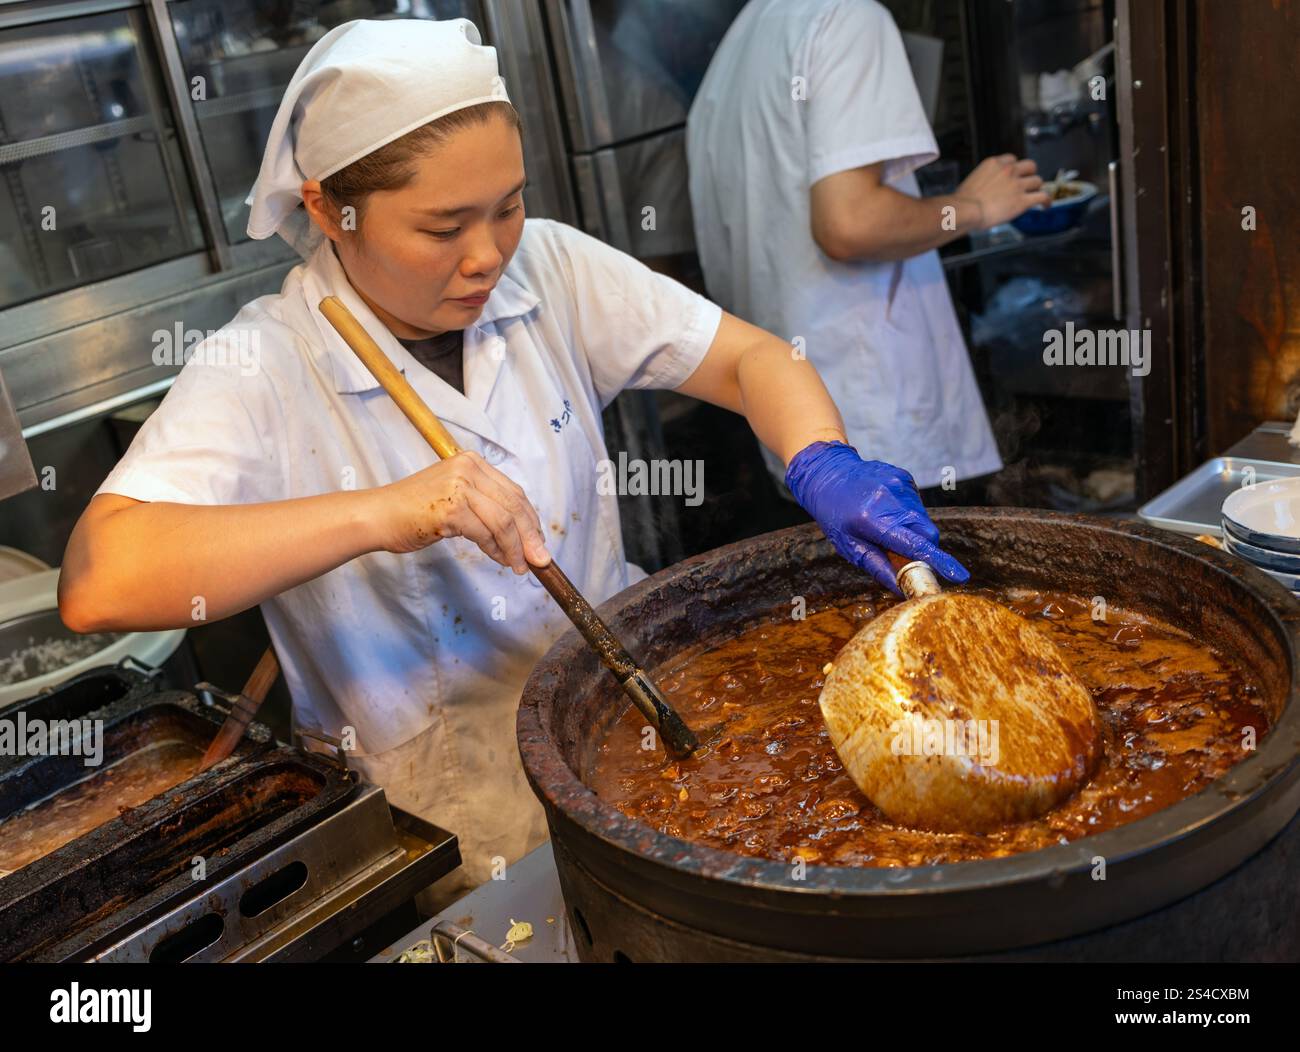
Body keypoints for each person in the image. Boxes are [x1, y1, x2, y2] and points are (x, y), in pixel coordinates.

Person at [58, 17, 965, 906]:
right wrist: (386, 513)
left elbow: (752, 358)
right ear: (331, 209)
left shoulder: (551, 268)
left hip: (633, 730)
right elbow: (103, 578)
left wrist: (821, 462)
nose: (487, 254)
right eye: (442, 227)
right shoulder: (267, 361)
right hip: (454, 816)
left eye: (508, 206)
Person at [686, 0, 1050, 495]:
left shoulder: (736, 50)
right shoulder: (848, 17)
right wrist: (974, 207)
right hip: (877, 432)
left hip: (800, 430)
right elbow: (848, 223)